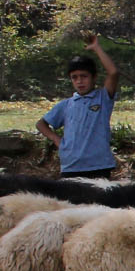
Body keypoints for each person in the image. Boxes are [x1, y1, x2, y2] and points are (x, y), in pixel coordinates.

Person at [35, 33, 120, 180]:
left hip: (99, 166)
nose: (80, 81)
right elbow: (41, 124)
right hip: (71, 165)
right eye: (75, 77)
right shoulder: (66, 105)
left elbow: (113, 72)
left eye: (84, 76)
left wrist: (96, 48)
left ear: (94, 78)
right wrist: (57, 140)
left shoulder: (102, 98)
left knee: (99, 202)